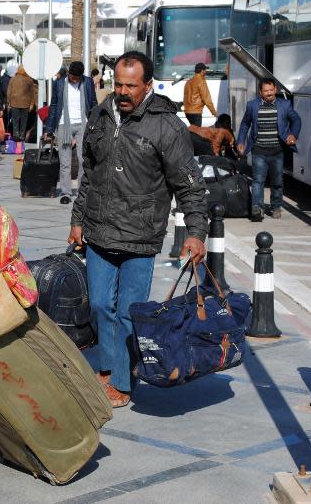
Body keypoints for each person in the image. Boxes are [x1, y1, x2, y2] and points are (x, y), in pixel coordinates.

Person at [69, 51, 208, 408]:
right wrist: (77, 221)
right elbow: (90, 175)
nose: (122, 91)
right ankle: (109, 363)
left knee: (132, 312)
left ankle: (121, 379)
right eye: (118, 84)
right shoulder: (100, 115)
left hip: (140, 237)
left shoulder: (167, 126)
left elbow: (190, 185)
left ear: (148, 85)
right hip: (99, 231)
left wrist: (195, 232)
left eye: (131, 85)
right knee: (99, 305)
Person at [236, 77, 301, 221]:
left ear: (275, 90)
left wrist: (293, 135)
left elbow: (296, 119)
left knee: (277, 181)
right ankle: (257, 208)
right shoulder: (252, 106)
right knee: (258, 180)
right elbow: (245, 124)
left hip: (277, 151)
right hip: (259, 150)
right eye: (266, 91)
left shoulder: (285, 105)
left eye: (271, 90)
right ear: (260, 92)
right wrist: (241, 141)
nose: (270, 93)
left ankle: (276, 206)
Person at [43, 61, 98, 204]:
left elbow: (93, 103)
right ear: (68, 73)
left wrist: (96, 122)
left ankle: (81, 192)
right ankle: (65, 192)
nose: (74, 80)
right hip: (63, 125)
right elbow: (54, 105)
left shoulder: (87, 82)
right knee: (65, 161)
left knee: (82, 159)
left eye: (76, 78)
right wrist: (48, 129)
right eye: (72, 77)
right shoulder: (60, 83)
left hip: (83, 124)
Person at [183, 62, 216, 127]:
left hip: (187, 112)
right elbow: (206, 98)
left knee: (192, 131)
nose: (206, 72)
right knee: (197, 134)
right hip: (196, 112)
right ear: (202, 71)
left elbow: (185, 97)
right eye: (205, 70)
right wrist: (213, 112)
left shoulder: (188, 82)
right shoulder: (201, 81)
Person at [6, 65, 35, 142]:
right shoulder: (29, 80)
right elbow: (32, 93)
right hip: (26, 103)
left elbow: (9, 92)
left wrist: (8, 102)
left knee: (15, 120)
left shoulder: (13, 79)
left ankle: (16, 135)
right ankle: (22, 135)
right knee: (24, 120)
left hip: (14, 103)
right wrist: (32, 104)